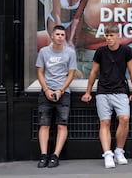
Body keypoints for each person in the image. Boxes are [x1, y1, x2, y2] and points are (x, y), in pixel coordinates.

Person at [80, 24, 132, 169]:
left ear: (118, 36)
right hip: (103, 91)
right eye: (106, 35)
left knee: (124, 118)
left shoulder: (126, 50)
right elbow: (94, 72)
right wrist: (88, 92)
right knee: (105, 122)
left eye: (111, 35)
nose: (108, 38)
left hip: (120, 90)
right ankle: (107, 154)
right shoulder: (100, 51)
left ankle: (119, 151)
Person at [36, 25, 77, 168]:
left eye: (62, 35)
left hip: (63, 93)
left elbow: (71, 74)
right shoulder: (43, 52)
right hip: (46, 92)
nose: (60, 37)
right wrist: (46, 89)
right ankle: (43, 155)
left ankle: (55, 155)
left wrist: (61, 90)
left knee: (62, 125)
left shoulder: (70, 53)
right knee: (44, 125)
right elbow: (40, 72)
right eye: (57, 34)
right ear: (52, 36)